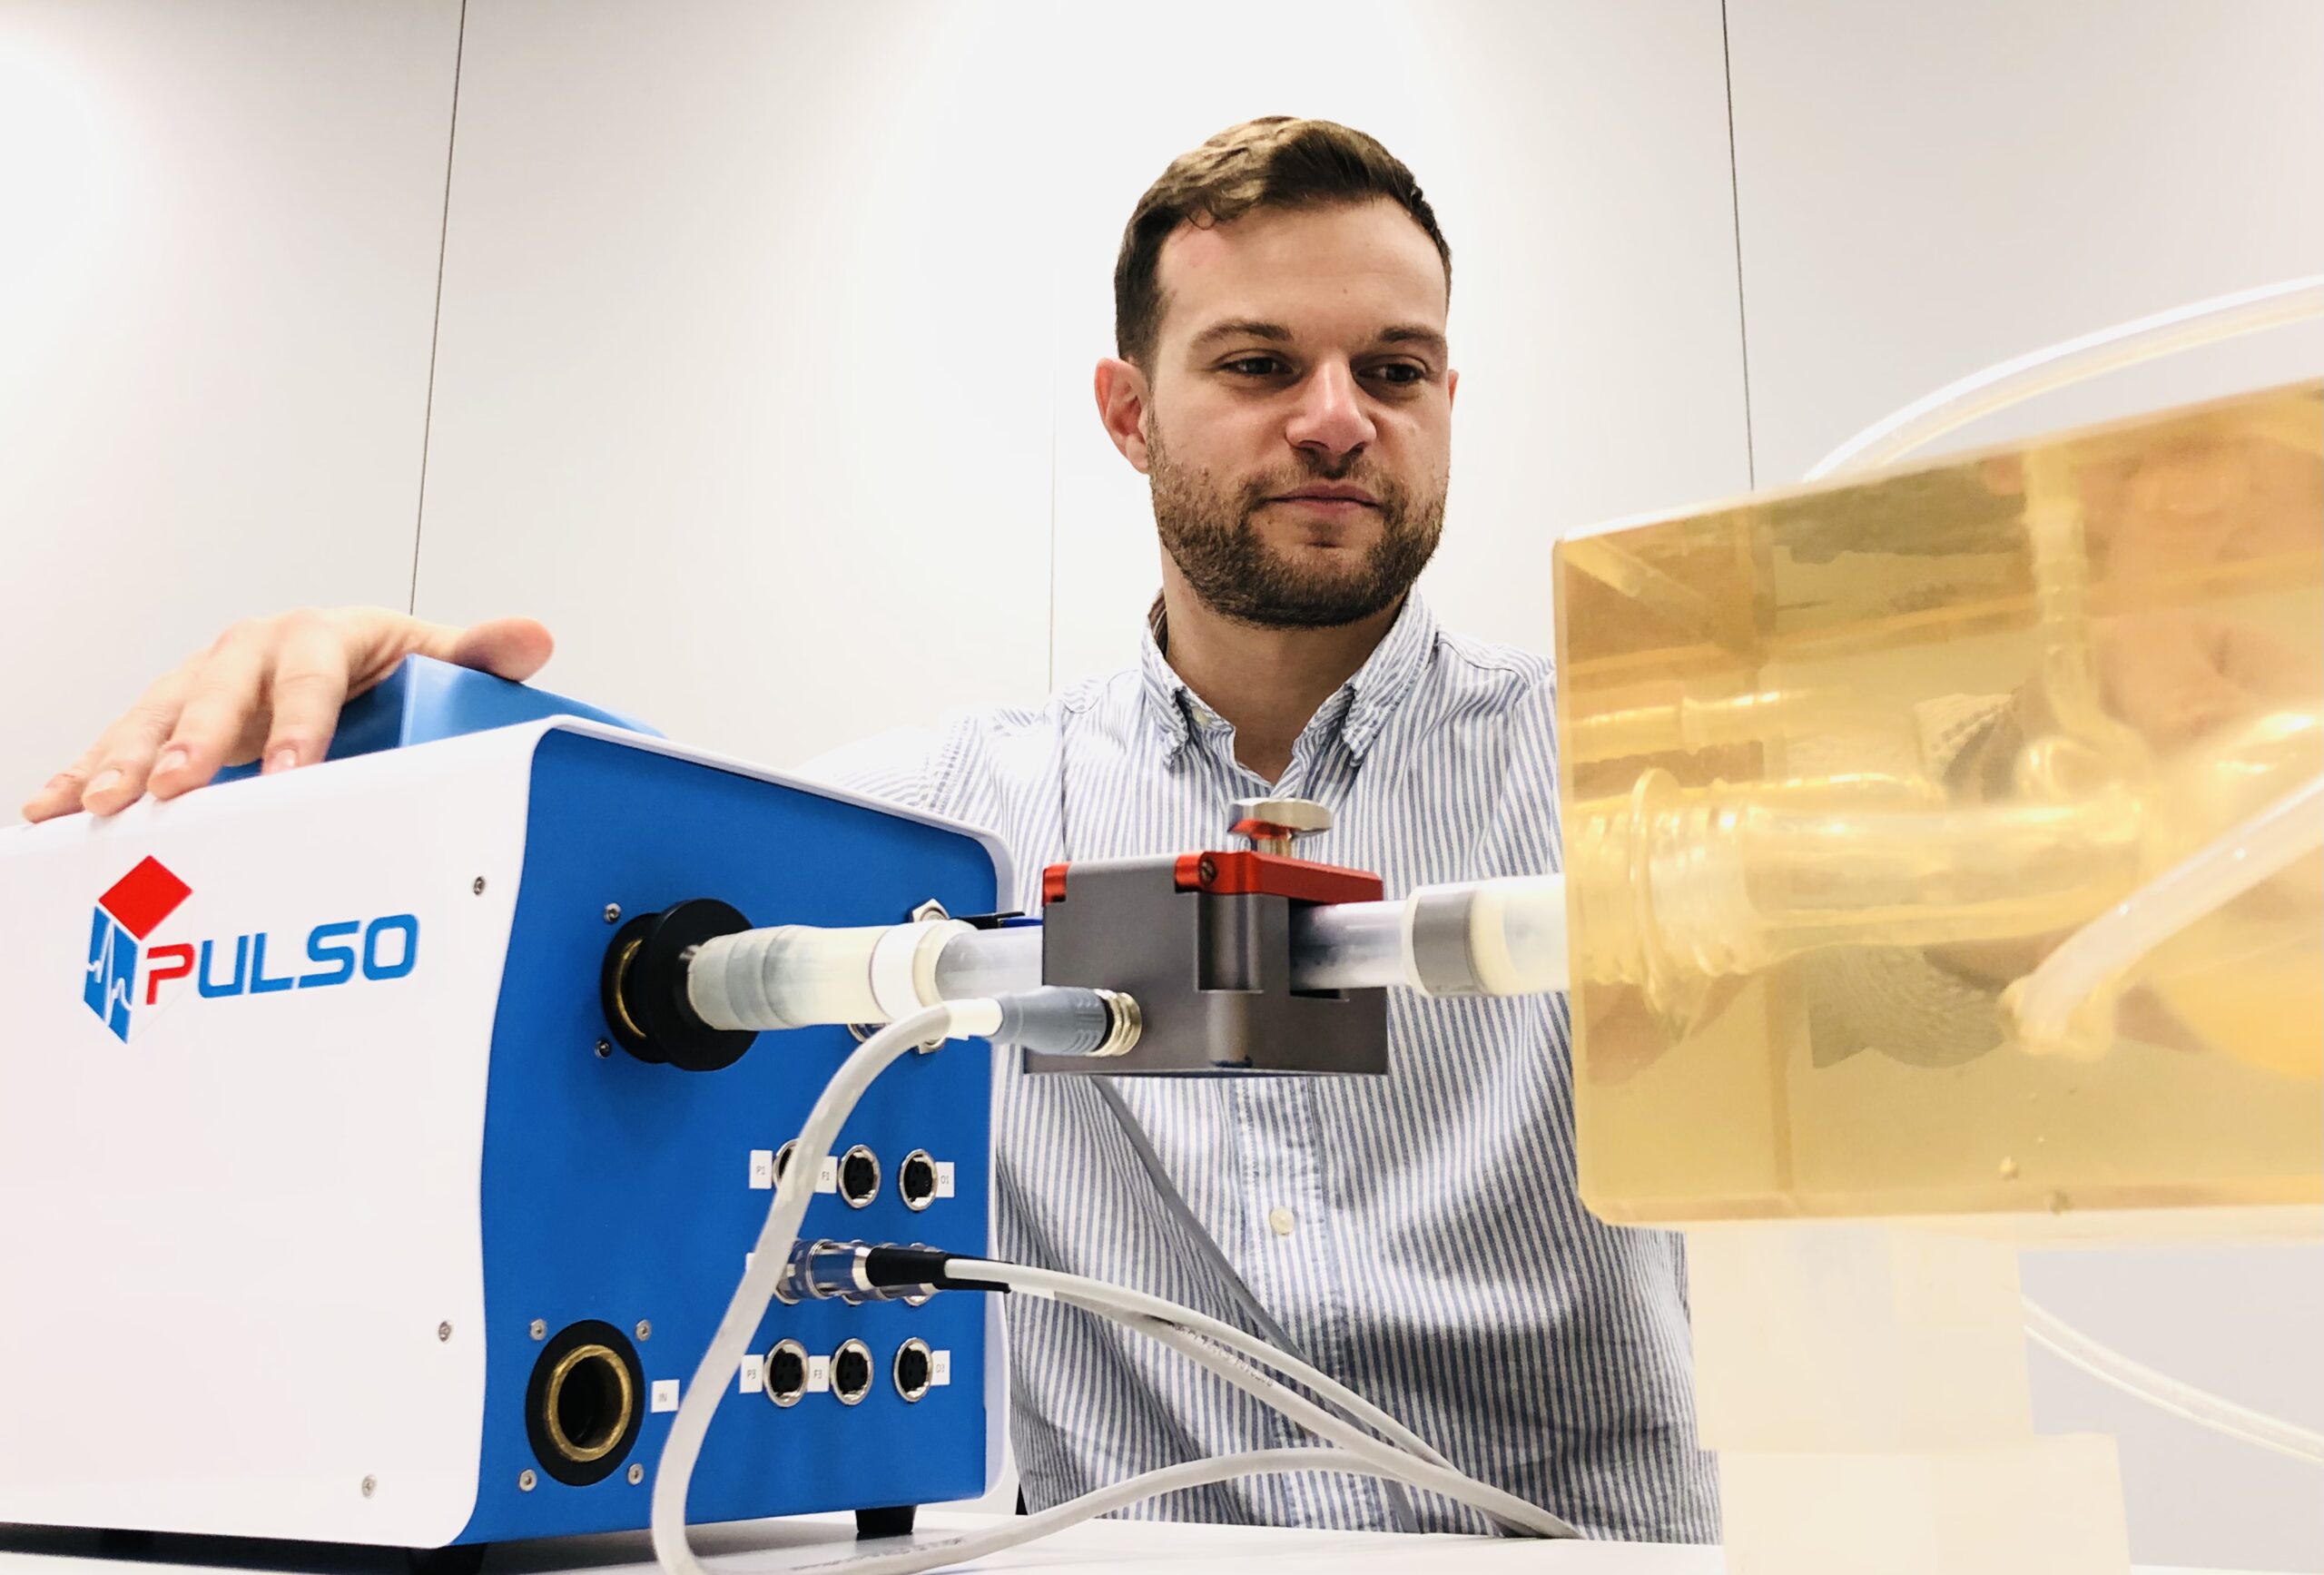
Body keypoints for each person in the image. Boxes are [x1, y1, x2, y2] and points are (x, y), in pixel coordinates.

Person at [25, 117, 1717, 1540]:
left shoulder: (1641, 770)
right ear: (1127, 413)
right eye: (1260, 362)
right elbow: (609, 907)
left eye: (1395, 368)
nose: (1338, 416)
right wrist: (380, 727)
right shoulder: (935, 831)